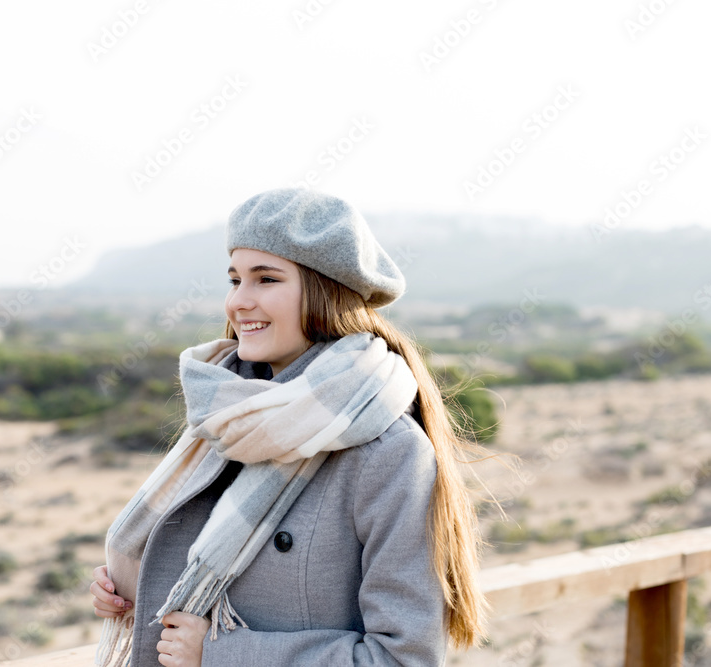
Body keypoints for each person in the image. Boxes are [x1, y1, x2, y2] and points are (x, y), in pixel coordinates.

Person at [90, 187, 488, 666]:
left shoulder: (388, 453)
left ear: (325, 293)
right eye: (235, 279)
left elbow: (404, 658)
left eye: (266, 279)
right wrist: (134, 587)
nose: (239, 301)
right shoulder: (229, 413)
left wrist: (222, 654)